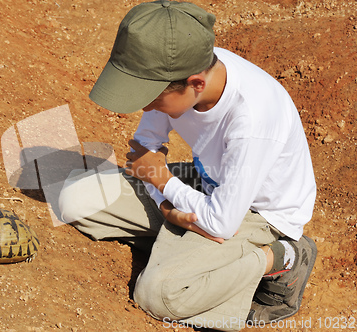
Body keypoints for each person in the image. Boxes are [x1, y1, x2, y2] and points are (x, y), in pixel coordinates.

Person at [58, 1, 317, 331]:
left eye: (150, 98)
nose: (144, 105)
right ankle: (190, 250)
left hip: (255, 213)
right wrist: (165, 205)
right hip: (203, 184)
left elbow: (222, 222)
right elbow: (144, 152)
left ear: (195, 83)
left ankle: (283, 258)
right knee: (75, 200)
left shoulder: (252, 121)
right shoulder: (177, 67)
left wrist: (164, 182)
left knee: (160, 295)